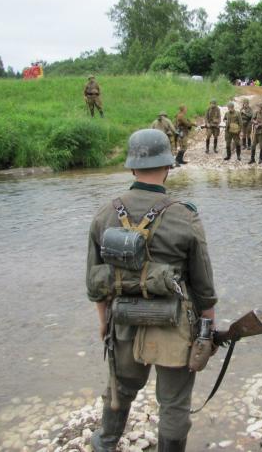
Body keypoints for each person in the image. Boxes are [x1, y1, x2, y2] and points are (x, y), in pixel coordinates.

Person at [86, 128, 217, 452]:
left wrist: (104, 322)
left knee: (119, 387)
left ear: (131, 167)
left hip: (124, 320)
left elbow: (95, 282)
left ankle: (106, 442)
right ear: (168, 166)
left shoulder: (104, 214)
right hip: (175, 325)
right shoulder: (185, 216)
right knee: (173, 403)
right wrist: (207, 330)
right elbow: (204, 288)